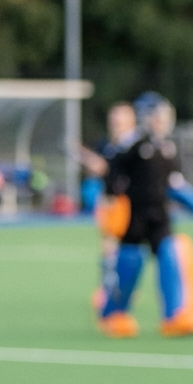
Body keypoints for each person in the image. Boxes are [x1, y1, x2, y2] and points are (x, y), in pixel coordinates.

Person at [98, 92, 193, 338]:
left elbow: (174, 182)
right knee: (129, 262)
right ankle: (113, 313)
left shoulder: (166, 147)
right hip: (133, 218)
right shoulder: (132, 146)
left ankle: (176, 315)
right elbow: (112, 179)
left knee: (171, 255)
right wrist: (109, 214)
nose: (161, 121)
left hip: (160, 216)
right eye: (156, 115)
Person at [83, 102, 138, 313]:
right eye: (113, 122)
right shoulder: (106, 146)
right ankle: (109, 291)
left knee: (129, 251)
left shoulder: (135, 148)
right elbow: (99, 175)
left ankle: (124, 289)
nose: (116, 126)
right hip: (110, 205)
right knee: (108, 251)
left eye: (120, 121)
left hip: (131, 205)